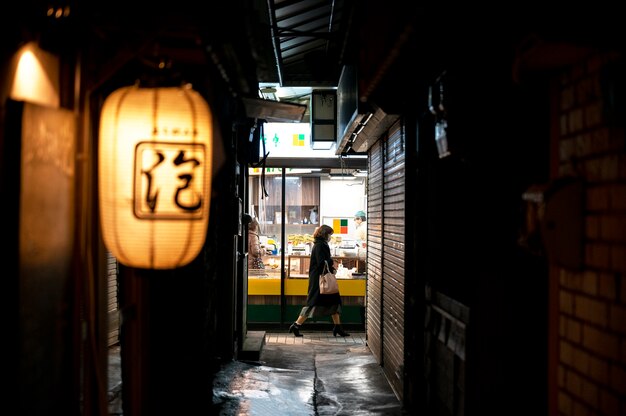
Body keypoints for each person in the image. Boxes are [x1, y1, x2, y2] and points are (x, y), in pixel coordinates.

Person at [288, 224, 350, 338]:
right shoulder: (321, 245)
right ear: (325, 234)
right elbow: (322, 262)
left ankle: (338, 327)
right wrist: (331, 262)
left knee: (334, 302)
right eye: (330, 234)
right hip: (321, 280)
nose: (331, 237)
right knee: (313, 304)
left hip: (321, 279)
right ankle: (296, 325)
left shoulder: (319, 244)